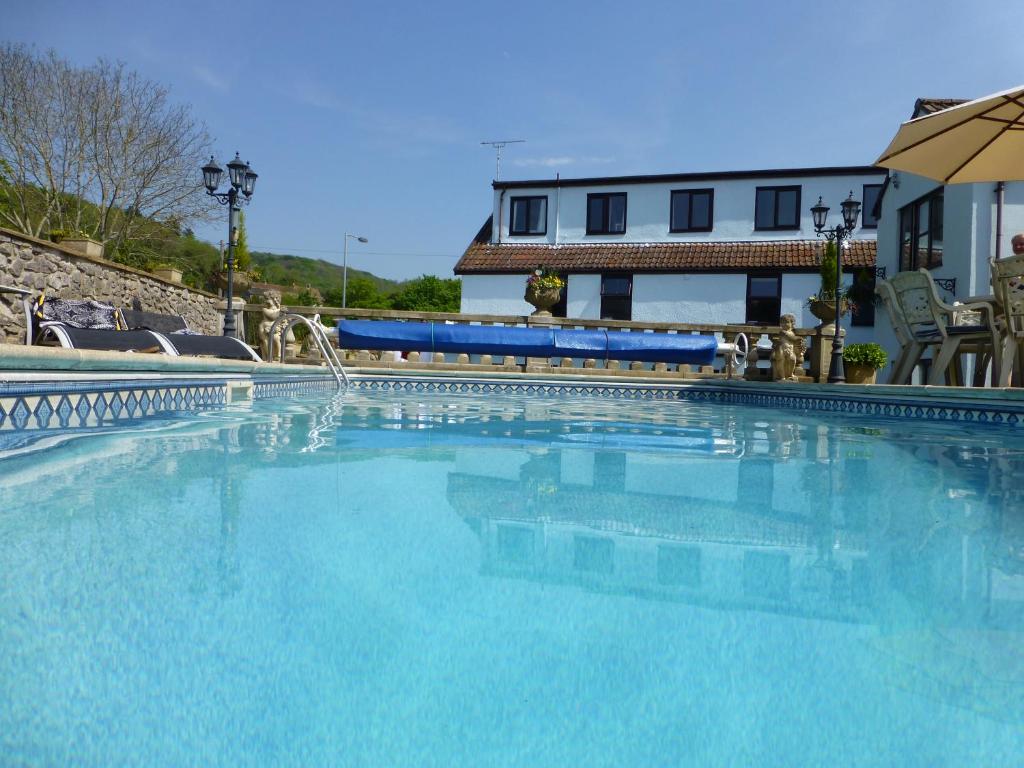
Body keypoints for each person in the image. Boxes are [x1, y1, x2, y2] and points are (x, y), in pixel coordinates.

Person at [771, 313, 805, 382]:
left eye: (786, 322)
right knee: (781, 361)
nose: (783, 324)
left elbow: (794, 339)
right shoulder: (783, 332)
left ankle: (790, 374)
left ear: (792, 323)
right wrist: (798, 338)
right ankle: (782, 376)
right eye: (782, 322)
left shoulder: (792, 332)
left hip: (790, 349)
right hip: (782, 350)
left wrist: (799, 340)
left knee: (793, 360)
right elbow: (791, 338)